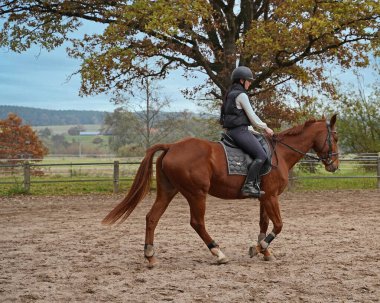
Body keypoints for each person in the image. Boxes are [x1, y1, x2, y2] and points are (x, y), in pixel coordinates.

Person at [220, 66, 274, 198]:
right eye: (249, 80)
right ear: (242, 80)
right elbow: (252, 116)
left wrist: (254, 131)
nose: (250, 83)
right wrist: (265, 127)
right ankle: (249, 186)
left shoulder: (229, 94)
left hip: (233, 131)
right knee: (261, 156)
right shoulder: (241, 95)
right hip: (240, 132)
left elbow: (238, 117)